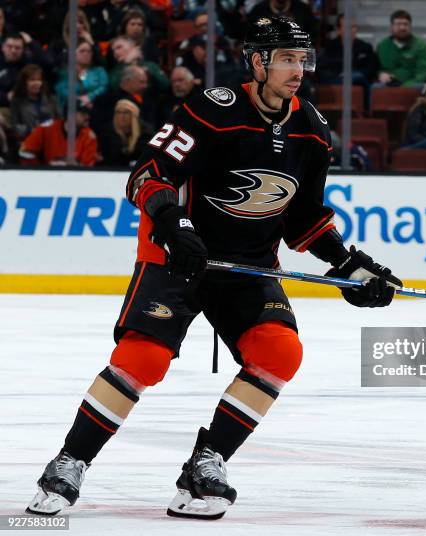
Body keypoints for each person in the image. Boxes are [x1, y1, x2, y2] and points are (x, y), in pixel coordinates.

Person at [26, 16, 400, 520]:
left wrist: (350, 266)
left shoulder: (312, 129)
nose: (298, 69)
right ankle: (69, 462)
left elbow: (304, 217)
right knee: (144, 358)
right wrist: (174, 223)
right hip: (178, 255)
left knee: (279, 351)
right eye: (287, 58)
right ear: (258, 62)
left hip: (247, 265)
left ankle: (207, 463)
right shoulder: (213, 110)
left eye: (302, 59)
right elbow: (147, 175)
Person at [18, 103, 97, 166]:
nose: (88, 116)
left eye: (88, 113)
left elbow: (87, 169)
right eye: (83, 113)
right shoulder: (47, 128)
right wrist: (40, 171)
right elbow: (25, 151)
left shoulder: (89, 136)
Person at [376, 9, 426, 88]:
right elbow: (376, 68)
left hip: (412, 84)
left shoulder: (422, 46)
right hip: (387, 84)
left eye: (406, 24)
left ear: (410, 26)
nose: (402, 28)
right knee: (375, 87)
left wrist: (404, 86)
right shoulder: (382, 46)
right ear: (391, 27)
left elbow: (423, 73)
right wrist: (380, 74)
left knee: (418, 86)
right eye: (398, 24)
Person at [317, 14, 378, 88]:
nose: (353, 30)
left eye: (354, 27)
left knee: (359, 77)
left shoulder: (365, 47)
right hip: (336, 80)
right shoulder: (329, 46)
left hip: (358, 82)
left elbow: (370, 70)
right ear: (339, 30)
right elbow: (323, 67)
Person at [55, 39, 109, 111]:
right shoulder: (64, 73)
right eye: (82, 51)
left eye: (89, 51)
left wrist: (89, 97)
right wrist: (79, 101)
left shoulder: (99, 71)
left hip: (98, 108)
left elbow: (104, 87)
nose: (86, 54)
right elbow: (62, 90)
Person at [10, 64, 60, 141]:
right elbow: (16, 127)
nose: (36, 83)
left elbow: (60, 120)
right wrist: (30, 131)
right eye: (32, 80)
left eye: (39, 80)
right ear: (24, 82)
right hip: (30, 140)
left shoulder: (51, 99)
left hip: (52, 138)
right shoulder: (17, 102)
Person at [98, 99, 151, 167]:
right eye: (118, 112)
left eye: (126, 112)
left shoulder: (146, 134)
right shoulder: (107, 133)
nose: (122, 116)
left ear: (134, 116)